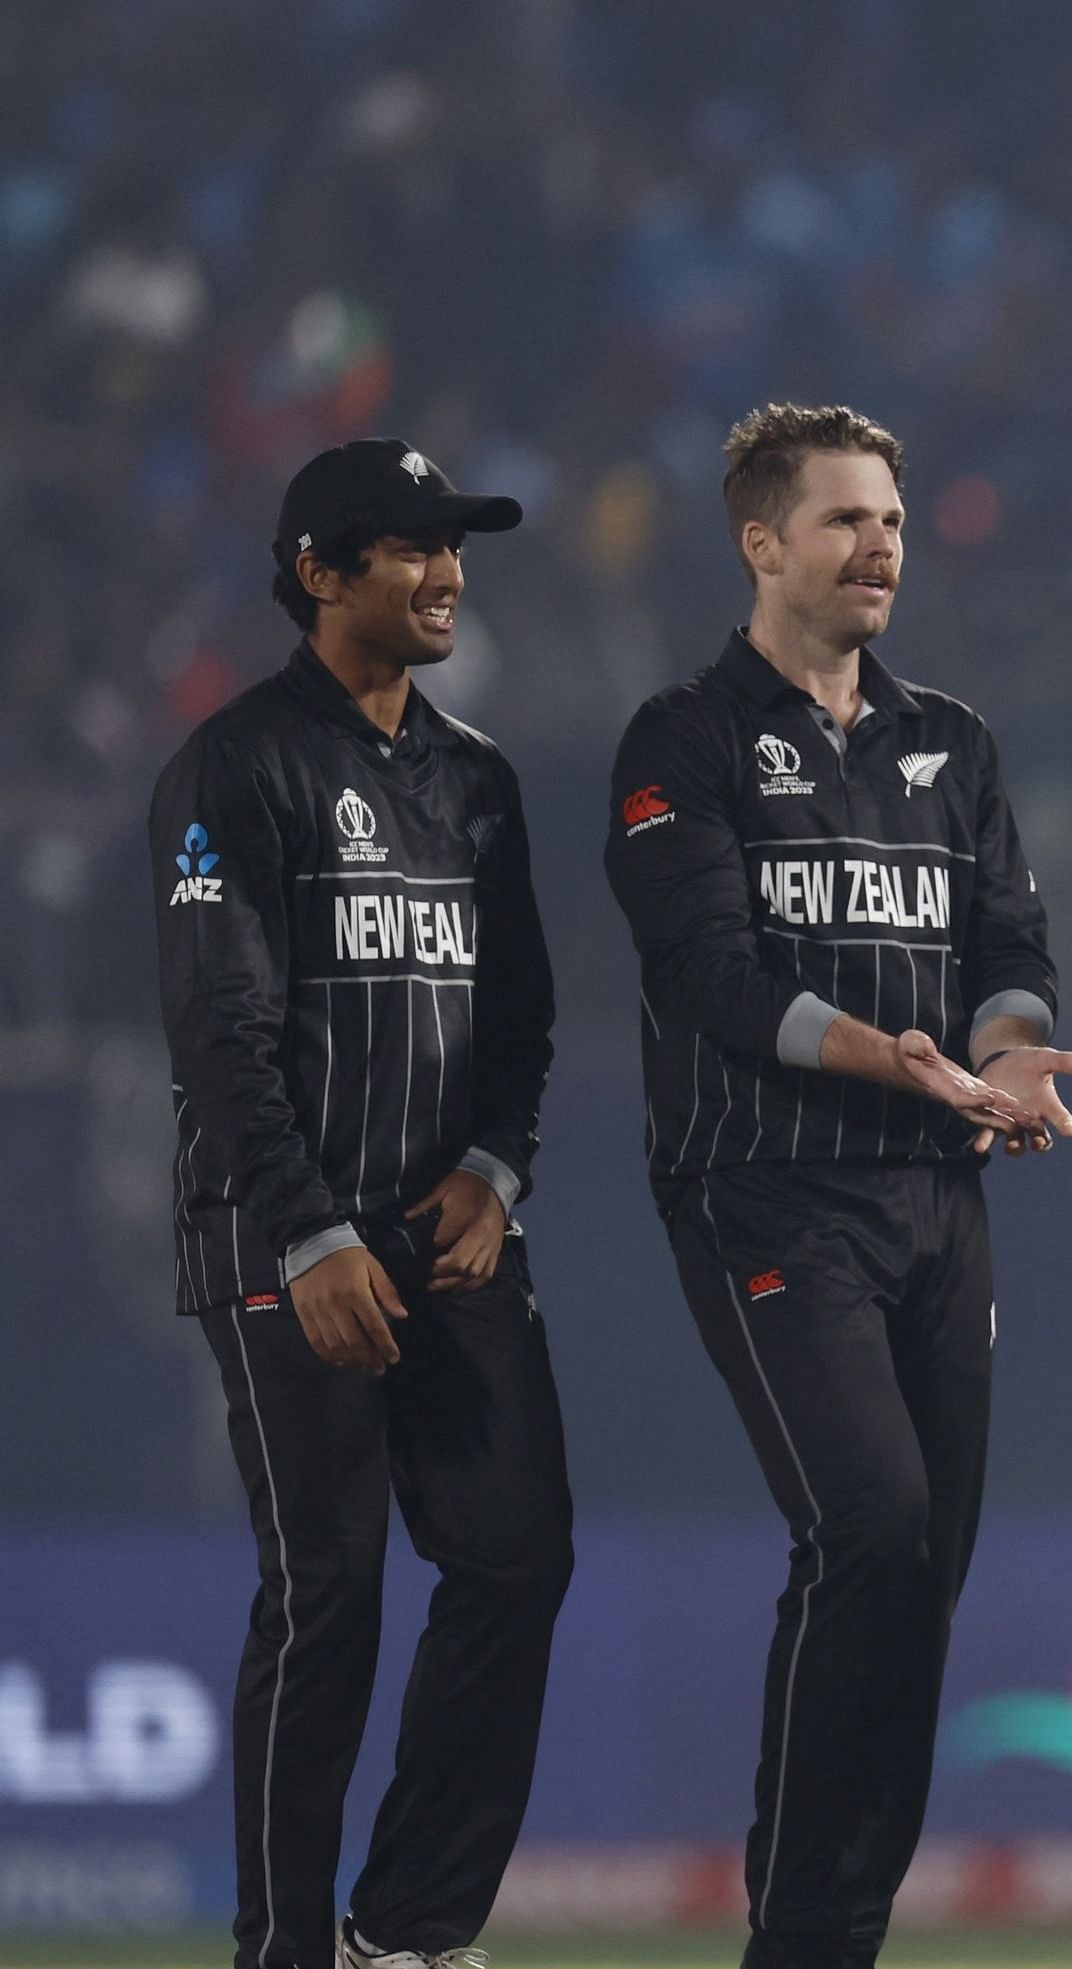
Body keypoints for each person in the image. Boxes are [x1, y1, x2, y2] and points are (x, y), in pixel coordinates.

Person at [604, 402, 1072, 1969]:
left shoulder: (954, 740)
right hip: (769, 1193)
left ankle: (838, 1935)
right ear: (761, 542)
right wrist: (898, 1057)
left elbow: (1011, 951)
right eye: (844, 521)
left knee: (920, 1576)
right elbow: (718, 982)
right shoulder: (679, 742)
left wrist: (1011, 1054)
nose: (881, 545)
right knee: (869, 1523)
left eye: (889, 519)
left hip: (940, 1205)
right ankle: (798, 1934)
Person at [151, 438, 571, 1969]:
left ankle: (409, 1932)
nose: (446, 572)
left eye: (455, 547)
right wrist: (308, 1229)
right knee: (328, 1595)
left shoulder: (476, 780)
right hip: (288, 1239)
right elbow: (219, 1029)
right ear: (321, 574)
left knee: (519, 1562)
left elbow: (524, 1021)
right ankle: (282, 1953)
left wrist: (496, 1167)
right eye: (408, 548)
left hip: (452, 1239)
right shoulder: (236, 764)